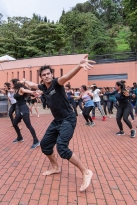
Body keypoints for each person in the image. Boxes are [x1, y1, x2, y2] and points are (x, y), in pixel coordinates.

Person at [23, 55, 94, 192]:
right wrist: (25, 81)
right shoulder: (43, 87)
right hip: (57, 121)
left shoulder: (57, 83)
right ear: (42, 77)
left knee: (62, 147)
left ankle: (86, 172)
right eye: (44, 75)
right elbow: (32, 85)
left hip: (68, 118)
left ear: (52, 74)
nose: (47, 76)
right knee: (45, 145)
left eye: (49, 73)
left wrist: (79, 66)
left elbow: (66, 77)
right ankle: (55, 167)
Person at [11, 79, 40, 149]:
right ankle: (20, 137)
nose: (11, 85)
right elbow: (11, 90)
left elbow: (25, 90)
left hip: (24, 109)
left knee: (28, 125)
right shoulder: (17, 90)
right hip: (20, 109)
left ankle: (36, 141)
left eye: (12, 83)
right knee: (14, 124)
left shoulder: (21, 89)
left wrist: (33, 92)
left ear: (15, 84)